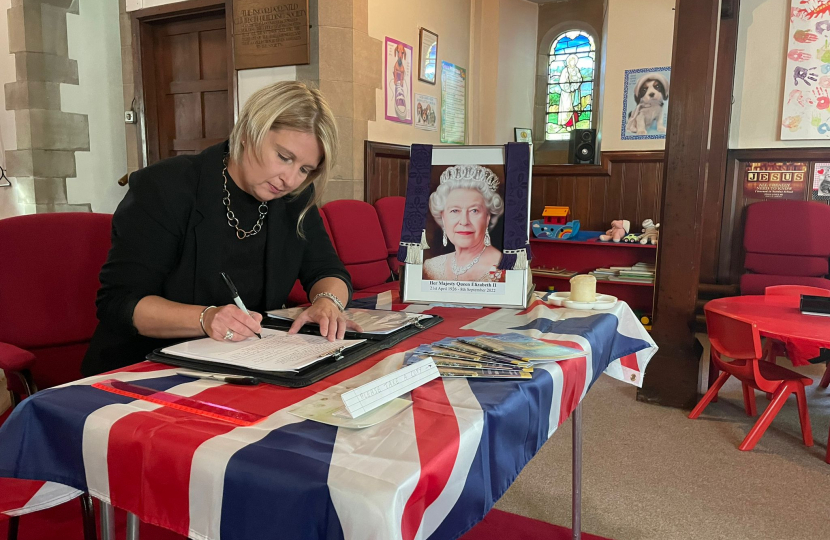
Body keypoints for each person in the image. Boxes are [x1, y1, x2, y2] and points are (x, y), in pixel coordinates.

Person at [82, 81, 355, 375]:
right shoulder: (165, 187)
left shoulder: (293, 199)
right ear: (249, 133)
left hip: (244, 364)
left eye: (304, 169)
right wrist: (206, 318)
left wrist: (328, 302)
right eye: (284, 157)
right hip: (147, 366)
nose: (289, 179)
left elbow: (328, 270)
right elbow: (119, 303)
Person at [422, 165, 505, 282]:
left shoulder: (503, 268)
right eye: (455, 210)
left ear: (487, 217)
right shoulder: (431, 267)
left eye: (474, 211)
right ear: (443, 217)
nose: (464, 221)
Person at [558, 54, 582, 128]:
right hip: (566, 93)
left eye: (574, 61)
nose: (573, 63)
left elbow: (580, 78)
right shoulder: (565, 70)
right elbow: (562, 81)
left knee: (573, 107)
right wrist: (568, 88)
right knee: (567, 107)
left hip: (574, 92)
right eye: (572, 61)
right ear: (569, 62)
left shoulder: (576, 69)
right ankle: (565, 123)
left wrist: (575, 85)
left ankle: (572, 123)